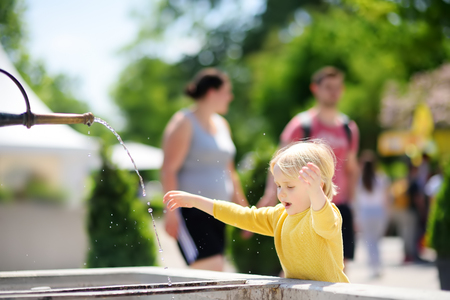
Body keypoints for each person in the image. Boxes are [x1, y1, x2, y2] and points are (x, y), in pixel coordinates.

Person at [164, 140, 350, 283]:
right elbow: (242, 215)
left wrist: (317, 193)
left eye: (290, 186)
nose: (281, 192)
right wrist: (197, 201)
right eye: (278, 185)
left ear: (318, 186)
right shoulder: (280, 216)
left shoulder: (326, 213)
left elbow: (324, 225)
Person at [257, 66, 360, 264]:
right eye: (328, 87)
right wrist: (271, 194)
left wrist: (354, 205)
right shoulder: (301, 124)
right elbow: (279, 161)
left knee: (340, 266)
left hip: (339, 207)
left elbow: (352, 169)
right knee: (299, 265)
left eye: (337, 87)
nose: (333, 92)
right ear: (315, 89)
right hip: (307, 207)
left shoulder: (349, 128)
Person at [160, 68, 249, 271]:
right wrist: (170, 213)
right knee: (213, 270)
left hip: (219, 211)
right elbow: (168, 169)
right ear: (212, 92)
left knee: (214, 276)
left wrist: (244, 211)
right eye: (227, 91)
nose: (231, 97)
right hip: (191, 213)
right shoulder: (183, 122)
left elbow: (230, 172)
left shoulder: (223, 124)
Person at [354, 150, 390, 278]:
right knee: (376, 241)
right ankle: (378, 265)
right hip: (379, 212)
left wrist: (356, 217)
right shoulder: (381, 178)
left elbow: (356, 200)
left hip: (365, 212)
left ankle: (373, 266)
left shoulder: (360, 180)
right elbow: (386, 199)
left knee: (369, 241)